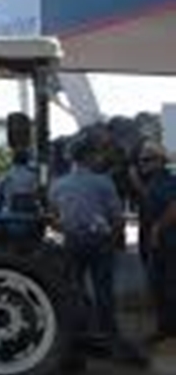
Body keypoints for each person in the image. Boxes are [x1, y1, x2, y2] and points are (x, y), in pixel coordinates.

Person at [48, 135, 125, 346]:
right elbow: (117, 218)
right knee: (103, 289)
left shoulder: (58, 185)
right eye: (96, 153)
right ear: (89, 156)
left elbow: (53, 219)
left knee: (75, 288)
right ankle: (108, 333)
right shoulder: (103, 182)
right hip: (100, 241)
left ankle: (81, 330)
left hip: (72, 241)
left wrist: (65, 230)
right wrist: (113, 240)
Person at [133, 140, 176, 342]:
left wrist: (158, 228)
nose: (144, 164)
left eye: (148, 160)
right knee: (159, 287)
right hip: (158, 243)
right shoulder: (153, 182)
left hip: (168, 243)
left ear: (159, 161)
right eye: (142, 160)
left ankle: (168, 329)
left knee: (168, 287)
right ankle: (165, 328)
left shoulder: (167, 181)